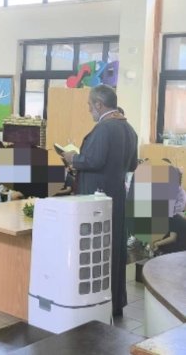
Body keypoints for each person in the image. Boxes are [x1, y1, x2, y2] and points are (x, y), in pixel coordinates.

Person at [62, 85, 138, 317]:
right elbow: (132, 164)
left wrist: (73, 158)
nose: (88, 110)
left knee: (96, 250)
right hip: (116, 196)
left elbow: (93, 160)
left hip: (96, 199)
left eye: (89, 105)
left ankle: (95, 303)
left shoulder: (105, 128)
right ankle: (115, 302)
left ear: (99, 104)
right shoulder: (129, 129)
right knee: (114, 248)